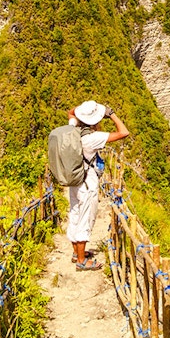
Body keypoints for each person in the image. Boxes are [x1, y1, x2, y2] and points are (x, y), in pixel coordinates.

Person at [65, 99, 129, 270]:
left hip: (74, 181)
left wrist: (79, 112)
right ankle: (81, 261)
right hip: (87, 184)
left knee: (75, 214)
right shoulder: (93, 138)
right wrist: (112, 114)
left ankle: (76, 252)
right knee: (86, 219)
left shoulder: (73, 129)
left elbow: (71, 113)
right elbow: (124, 132)